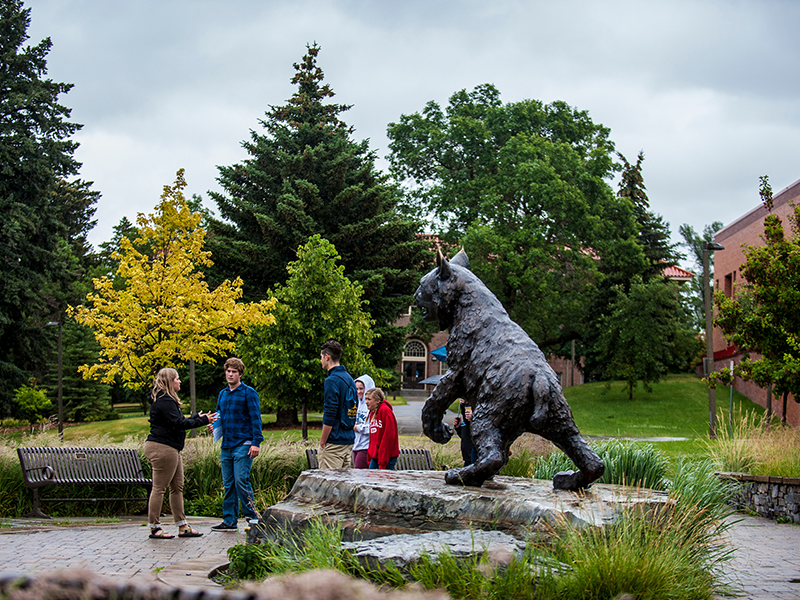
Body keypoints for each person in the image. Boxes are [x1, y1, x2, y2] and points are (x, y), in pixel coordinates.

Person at [144, 367, 217, 539]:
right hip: (162, 448)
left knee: (177, 487)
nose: (179, 381)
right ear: (169, 381)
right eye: (177, 378)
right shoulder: (164, 400)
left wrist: (195, 418)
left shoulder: (166, 400)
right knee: (159, 488)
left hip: (171, 448)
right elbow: (177, 424)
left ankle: (182, 525)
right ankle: (154, 527)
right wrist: (202, 420)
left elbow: (178, 421)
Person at [210, 357, 263, 531]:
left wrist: (256, 443)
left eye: (234, 371)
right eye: (228, 371)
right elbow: (219, 416)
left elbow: (256, 419)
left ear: (240, 374)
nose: (230, 374)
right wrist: (214, 425)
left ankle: (252, 517)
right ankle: (229, 520)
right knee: (229, 484)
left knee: (241, 480)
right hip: (227, 445)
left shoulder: (249, 392)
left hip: (244, 443)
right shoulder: (222, 394)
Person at [319, 340, 357, 469]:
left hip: (334, 442)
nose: (321, 361)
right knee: (342, 487)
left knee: (327, 486)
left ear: (327, 357)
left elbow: (330, 413)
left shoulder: (332, 380)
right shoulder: (349, 379)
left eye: (321, 357)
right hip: (347, 440)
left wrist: (323, 440)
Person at [365, 387, 399, 470]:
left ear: (378, 400)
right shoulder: (372, 412)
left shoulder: (385, 411)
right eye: (366, 399)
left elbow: (388, 437)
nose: (366, 402)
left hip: (387, 457)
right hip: (376, 456)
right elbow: (372, 438)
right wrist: (370, 457)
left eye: (369, 399)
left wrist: (382, 463)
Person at [352, 374, 375, 469]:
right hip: (356, 445)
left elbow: (372, 428)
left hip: (366, 447)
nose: (359, 392)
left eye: (361, 388)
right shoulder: (357, 404)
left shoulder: (372, 406)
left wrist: (358, 428)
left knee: (359, 475)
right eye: (356, 389)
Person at [453, 398, 476, 466]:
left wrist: (474, 417)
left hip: (479, 460)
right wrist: (459, 429)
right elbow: (467, 436)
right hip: (468, 459)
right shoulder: (467, 422)